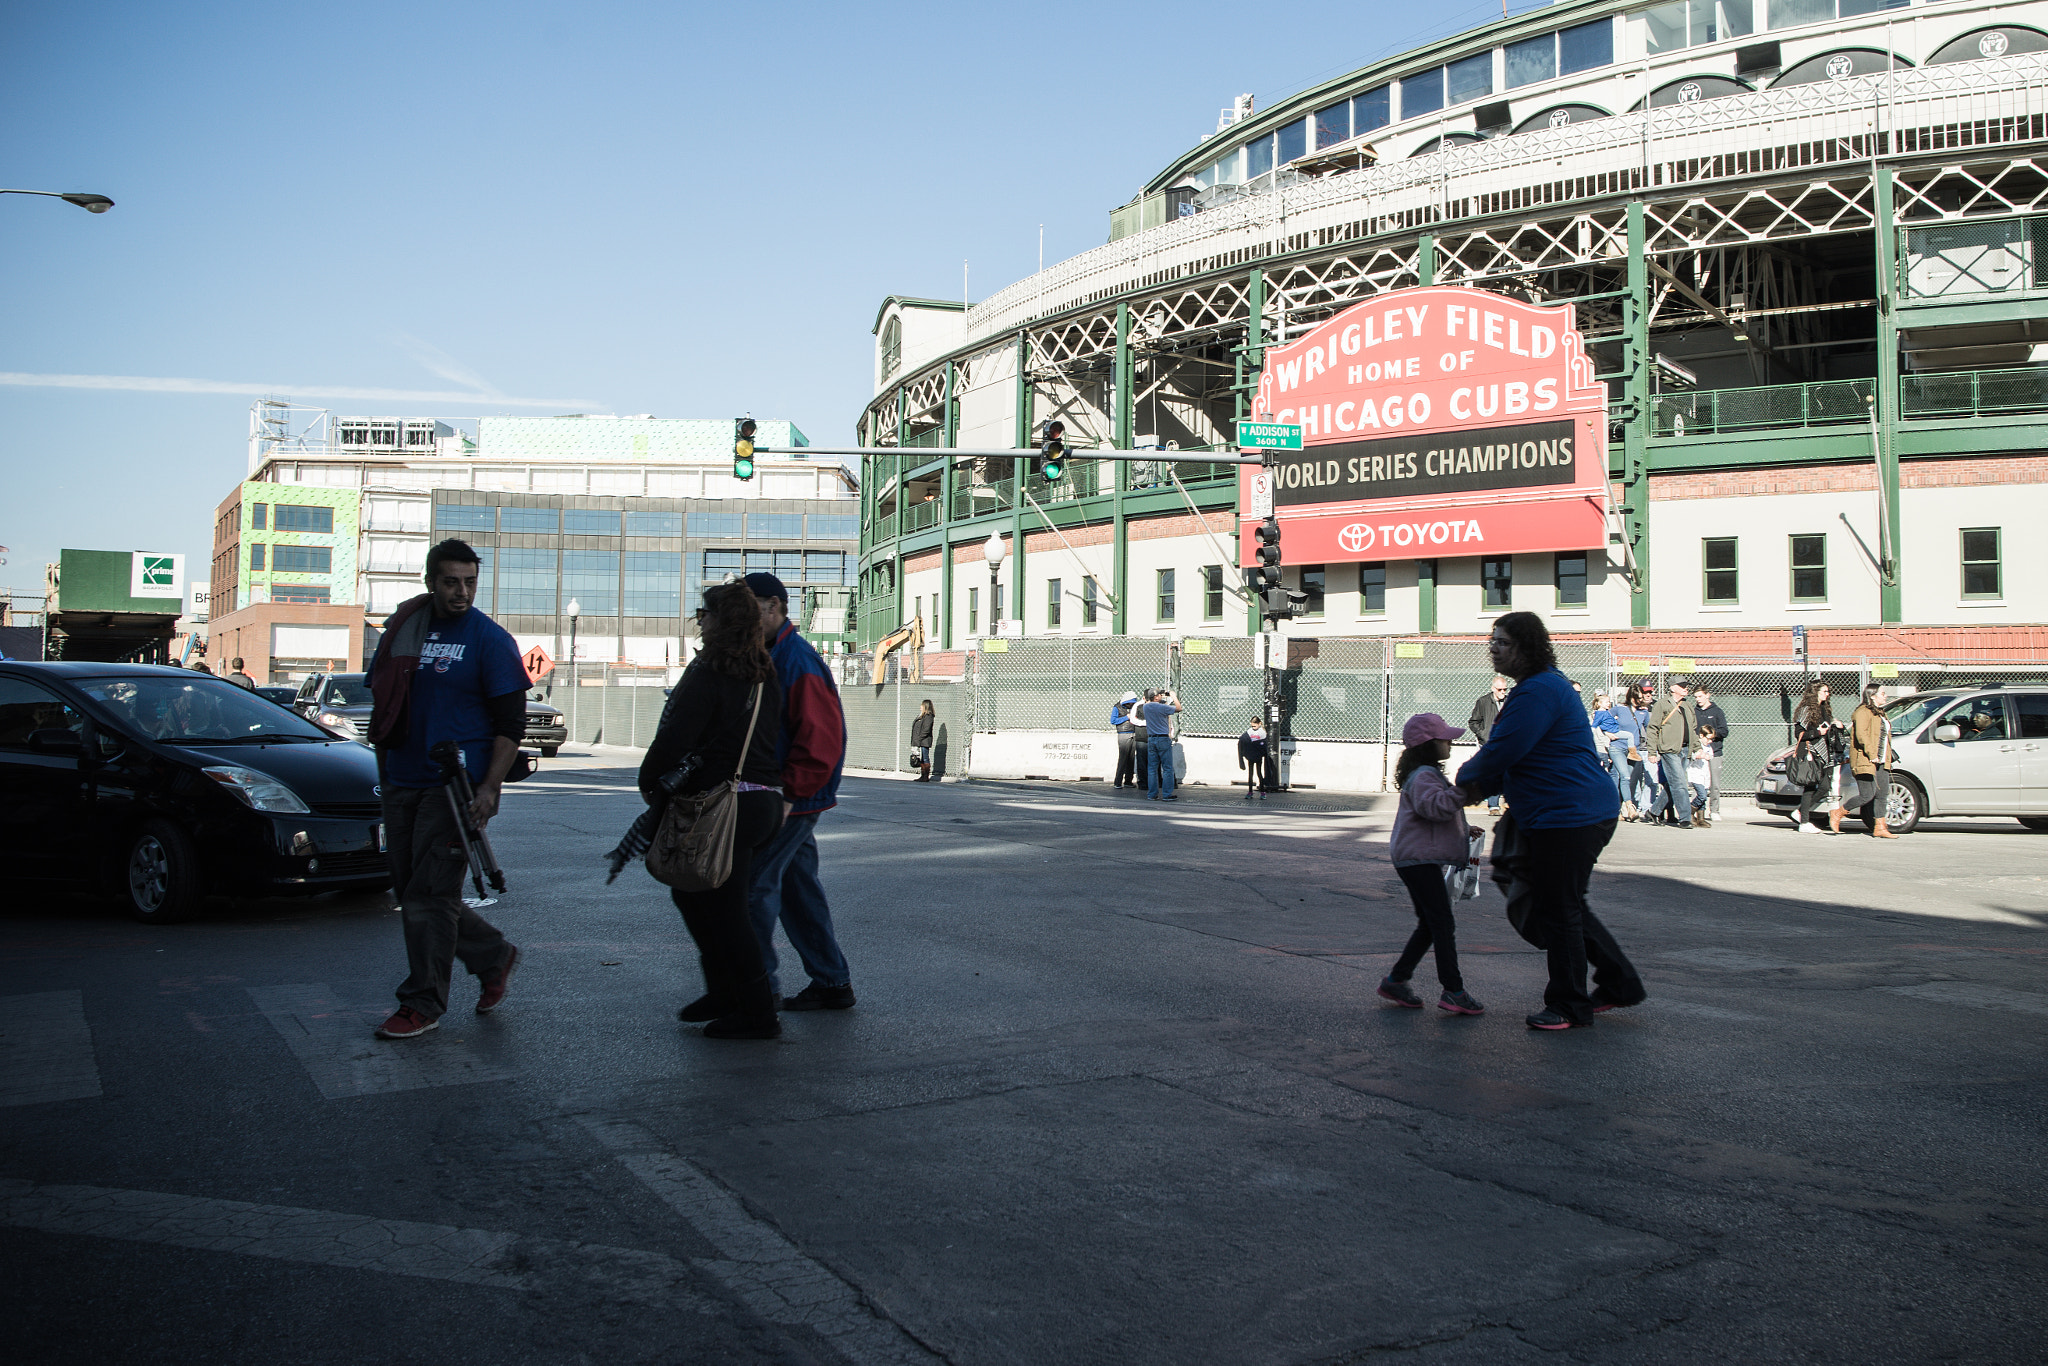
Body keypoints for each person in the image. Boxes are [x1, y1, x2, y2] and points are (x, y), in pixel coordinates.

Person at [365, 538, 527, 1041]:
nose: (462, 592)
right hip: (401, 779)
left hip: (453, 788)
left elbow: (510, 725)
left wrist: (489, 788)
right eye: (452, 582)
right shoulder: (403, 631)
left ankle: (423, 1002)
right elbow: (385, 701)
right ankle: (493, 955)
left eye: (470, 582)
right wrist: (386, 768)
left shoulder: (490, 641)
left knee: (430, 896)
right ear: (431, 581)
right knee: (413, 891)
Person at [1457, 612, 1642, 1031]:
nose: (1494, 648)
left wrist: (1464, 783)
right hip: (1561, 812)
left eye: (1502, 642)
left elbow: (1506, 748)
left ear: (1525, 647)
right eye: (1493, 640)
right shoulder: (1542, 686)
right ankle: (1620, 982)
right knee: (1562, 903)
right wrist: (1477, 787)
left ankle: (1569, 1005)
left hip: (1569, 814)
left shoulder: (1538, 691)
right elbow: (1518, 757)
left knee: (1560, 909)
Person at [640, 582, 787, 1039]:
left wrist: (650, 784)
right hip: (758, 801)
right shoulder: (764, 673)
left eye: (703, 615)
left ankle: (757, 1011)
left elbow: (674, 739)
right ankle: (725, 991)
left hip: (724, 806)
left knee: (723, 910)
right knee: (693, 894)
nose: (699, 622)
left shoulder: (708, 673)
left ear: (719, 621)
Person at [743, 572, 855, 1011]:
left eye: (750, 609)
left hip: (793, 796)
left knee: (753, 886)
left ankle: (758, 990)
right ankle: (831, 981)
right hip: (793, 793)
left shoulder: (796, 660)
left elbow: (821, 740)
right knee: (795, 887)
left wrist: (789, 796)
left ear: (775, 606)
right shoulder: (778, 653)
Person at [1380, 713, 1486, 1016]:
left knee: (1430, 923)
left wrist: (1465, 829)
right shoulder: (1424, 775)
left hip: (1414, 858)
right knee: (1441, 922)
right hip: (1418, 859)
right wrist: (1464, 793)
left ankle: (1396, 980)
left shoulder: (1424, 774)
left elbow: (1433, 813)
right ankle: (1453, 990)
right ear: (1428, 744)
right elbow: (1434, 807)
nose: (1450, 742)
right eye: (1444, 738)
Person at [1842, 683, 1900, 839]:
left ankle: (1880, 827)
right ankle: (1838, 812)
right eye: (1882, 693)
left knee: (1882, 793)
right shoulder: (1862, 712)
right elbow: (1862, 735)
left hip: (1882, 759)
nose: (1885, 695)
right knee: (1867, 795)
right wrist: (1871, 753)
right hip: (1867, 758)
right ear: (1872, 696)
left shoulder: (1880, 713)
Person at [1646, 679, 1698, 829]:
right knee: (1680, 784)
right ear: (1673, 688)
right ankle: (1685, 818)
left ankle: (1654, 812)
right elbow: (1653, 728)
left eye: (1686, 686)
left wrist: (1697, 748)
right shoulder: (1662, 704)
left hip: (1685, 750)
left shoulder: (1687, 705)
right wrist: (1652, 751)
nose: (1686, 688)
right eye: (1682, 686)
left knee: (1674, 784)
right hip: (1669, 750)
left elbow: (1693, 729)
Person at [1791, 680, 1840, 834]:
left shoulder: (1824, 709)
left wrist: (1836, 725)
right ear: (1815, 692)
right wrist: (1818, 733)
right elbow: (1799, 734)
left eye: (1828, 691)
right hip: (1812, 751)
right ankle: (1804, 821)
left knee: (1825, 786)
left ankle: (1800, 812)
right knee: (1810, 786)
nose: (1828, 694)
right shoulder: (1806, 710)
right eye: (1824, 691)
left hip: (1826, 752)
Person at [1468, 676, 1510, 813]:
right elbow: (1473, 722)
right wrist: (1483, 735)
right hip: (1489, 743)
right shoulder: (1483, 702)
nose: (1502, 692)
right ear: (1493, 689)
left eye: (1505, 689)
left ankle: (1510, 802)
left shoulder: (1510, 701)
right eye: (1499, 689)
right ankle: (1493, 806)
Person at [1692, 685, 1729, 822]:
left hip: (1714, 752)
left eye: (1700, 696)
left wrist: (1711, 736)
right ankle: (1697, 809)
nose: (1698, 699)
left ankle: (1714, 810)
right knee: (1698, 783)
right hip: (1699, 752)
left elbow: (1724, 731)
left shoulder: (1717, 711)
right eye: (1696, 697)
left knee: (1714, 783)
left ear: (1707, 695)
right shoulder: (1694, 711)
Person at [1142, 687, 1183, 800]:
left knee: (1152, 768)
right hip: (1163, 739)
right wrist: (1173, 696)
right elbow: (1179, 708)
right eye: (1159, 695)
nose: (1161, 695)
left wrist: (1159, 695)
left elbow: (1149, 700)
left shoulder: (1146, 707)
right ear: (1156, 697)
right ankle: (1166, 794)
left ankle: (1152, 794)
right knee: (1167, 768)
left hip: (1151, 739)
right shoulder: (1162, 707)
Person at [1687, 725, 1717, 828]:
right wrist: (1699, 755)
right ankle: (1689, 813)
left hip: (1705, 775)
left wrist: (1707, 756)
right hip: (1696, 774)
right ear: (1701, 735)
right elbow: (1692, 755)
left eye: (1712, 739)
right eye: (1708, 738)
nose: (1710, 741)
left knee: (1703, 797)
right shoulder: (1697, 744)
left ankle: (1701, 819)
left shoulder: (1708, 747)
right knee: (1702, 795)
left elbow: (1710, 755)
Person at [1111, 691, 1141, 789]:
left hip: (1133, 732)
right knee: (1123, 758)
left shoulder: (1133, 707)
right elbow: (1113, 720)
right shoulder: (1117, 707)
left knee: (1131, 759)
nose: (1130, 705)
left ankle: (1128, 781)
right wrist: (1126, 717)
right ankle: (1118, 782)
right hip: (1123, 734)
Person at [1236, 716, 1268, 800]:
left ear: (1259, 724)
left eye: (1255, 726)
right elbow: (1243, 739)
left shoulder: (1262, 732)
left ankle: (1262, 792)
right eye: (1252, 726)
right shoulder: (1249, 732)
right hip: (1250, 756)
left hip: (1258, 756)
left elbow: (1263, 744)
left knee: (1259, 773)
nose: (1253, 728)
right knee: (1250, 774)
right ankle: (1250, 791)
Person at [910, 698, 936, 782]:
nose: (920, 707)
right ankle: (922, 775)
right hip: (919, 741)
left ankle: (926, 776)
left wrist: (919, 738)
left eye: (922, 705)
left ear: (925, 706)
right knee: (921, 758)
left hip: (924, 741)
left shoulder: (928, 716)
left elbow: (926, 729)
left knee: (925, 758)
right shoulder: (921, 716)